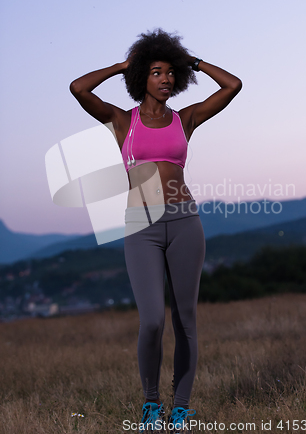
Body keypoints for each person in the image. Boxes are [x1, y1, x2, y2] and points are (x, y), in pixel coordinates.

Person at [70, 29, 242, 433]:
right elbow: (78, 88)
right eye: (156, 72)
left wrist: (191, 62)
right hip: (141, 227)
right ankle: (151, 404)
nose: (165, 79)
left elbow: (232, 85)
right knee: (151, 321)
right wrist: (120, 67)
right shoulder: (120, 121)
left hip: (185, 223)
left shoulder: (186, 119)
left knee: (185, 321)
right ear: (141, 79)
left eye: (170, 73)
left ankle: (180, 409)